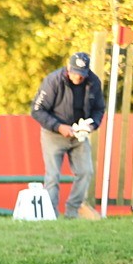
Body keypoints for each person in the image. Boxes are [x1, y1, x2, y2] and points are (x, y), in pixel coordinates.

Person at [31, 51, 106, 219]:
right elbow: (37, 110)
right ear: (68, 68)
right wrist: (58, 127)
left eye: (82, 74)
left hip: (79, 135)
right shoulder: (53, 81)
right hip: (54, 134)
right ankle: (50, 215)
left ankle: (73, 211)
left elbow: (99, 108)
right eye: (75, 73)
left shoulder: (93, 82)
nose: (78, 78)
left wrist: (92, 124)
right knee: (53, 176)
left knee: (86, 172)